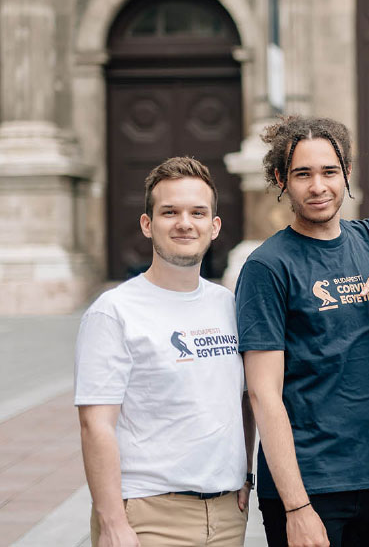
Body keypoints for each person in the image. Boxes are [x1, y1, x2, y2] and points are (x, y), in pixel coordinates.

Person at [235, 116, 369, 547]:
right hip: (311, 488)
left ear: (347, 173)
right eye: (302, 174)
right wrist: (296, 507)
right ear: (280, 179)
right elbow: (263, 394)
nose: (318, 186)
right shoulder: (267, 267)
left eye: (329, 171)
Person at [75, 156, 253, 547]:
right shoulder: (115, 311)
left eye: (197, 212)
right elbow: (95, 425)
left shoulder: (230, 305)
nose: (184, 223)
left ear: (214, 226)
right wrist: (112, 522)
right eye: (169, 212)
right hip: (149, 514)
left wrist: (246, 474)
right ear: (147, 224)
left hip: (226, 514)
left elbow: (244, 400)